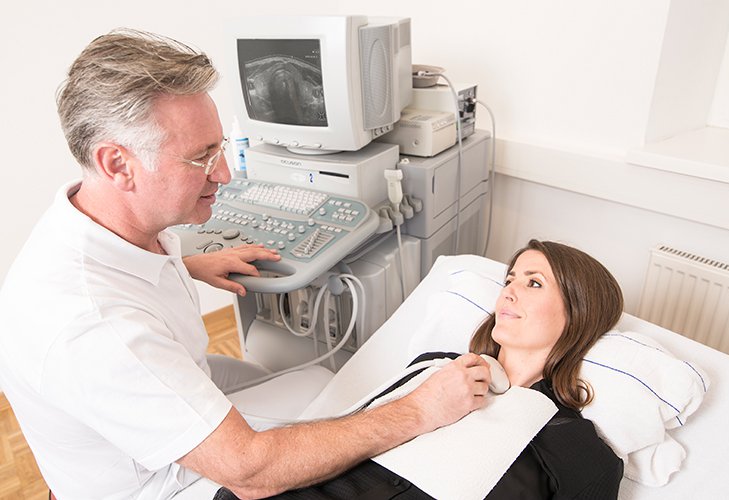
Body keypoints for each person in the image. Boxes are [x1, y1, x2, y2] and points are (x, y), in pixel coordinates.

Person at [0, 29, 491, 500]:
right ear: (117, 164)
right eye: (201, 157)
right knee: (323, 392)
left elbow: (121, 279)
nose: (224, 173)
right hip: (152, 484)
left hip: (154, 397)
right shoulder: (94, 327)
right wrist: (419, 410)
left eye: (219, 147)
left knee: (315, 385)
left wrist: (184, 264)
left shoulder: (102, 218)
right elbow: (251, 471)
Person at [224, 239, 624, 499]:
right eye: (509, 279)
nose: (508, 291)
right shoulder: (435, 368)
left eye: (533, 283)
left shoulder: (579, 451)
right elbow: (350, 438)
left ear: (578, 312)